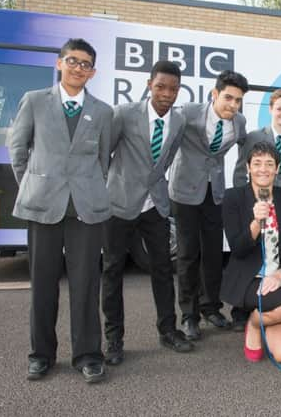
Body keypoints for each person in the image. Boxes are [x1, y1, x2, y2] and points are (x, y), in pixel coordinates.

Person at [9, 38, 112, 383]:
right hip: (43, 206)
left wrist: (86, 186)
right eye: (72, 61)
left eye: (85, 64)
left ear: (93, 72)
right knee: (42, 285)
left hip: (86, 208)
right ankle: (41, 355)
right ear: (59, 64)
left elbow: (103, 160)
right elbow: (18, 148)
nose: (78, 68)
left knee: (85, 285)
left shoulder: (102, 112)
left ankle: (88, 355)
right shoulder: (35, 101)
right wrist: (35, 184)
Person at [101, 61, 194, 365]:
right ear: (149, 84)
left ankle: (168, 330)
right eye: (160, 87)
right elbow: (105, 155)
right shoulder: (124, 114)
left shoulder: (178, 122)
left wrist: (154, 184)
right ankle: (114, 338)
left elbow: (166, 159)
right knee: (113, 270)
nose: (166, 94)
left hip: (154, 204)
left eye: (173, 89)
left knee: (163, 269)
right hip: (119, 203)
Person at [168, 70, 248, 341]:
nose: (233, 105)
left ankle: (210, 307)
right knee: (188, 255)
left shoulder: (239, 122)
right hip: (184, 192)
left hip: (215, 194)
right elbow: (167, 140)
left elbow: (245, 152)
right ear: (215, 94)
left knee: (213, 255)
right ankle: (189, 315)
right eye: (228, 98)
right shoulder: (189, 112)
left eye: (238, 100)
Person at [221, 141, 281, 363]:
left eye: (269, 164)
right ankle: (257, 322)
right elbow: (238, 249)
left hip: (280, 279)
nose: (263, 169)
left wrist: (280, 273)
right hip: (250, 278)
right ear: (248, 168)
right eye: (256, 163)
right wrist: (256, 222)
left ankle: (257, 321)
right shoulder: (233, 198)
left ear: (277, 168)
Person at [231, 89, 281, 331]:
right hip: (257, 201)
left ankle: (271, 305)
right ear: (271, 109)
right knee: (252, 252)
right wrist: (247, 201)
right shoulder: (254, 136)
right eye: (279, 108)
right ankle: (244, 307)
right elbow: (241, 170)